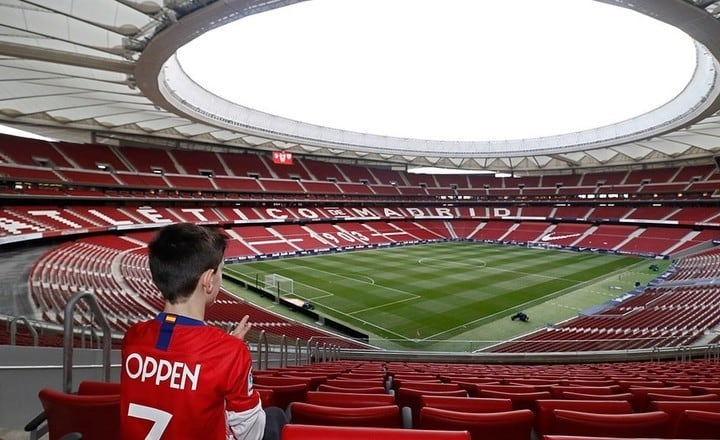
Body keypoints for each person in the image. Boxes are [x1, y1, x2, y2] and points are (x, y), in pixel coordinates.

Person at [120, 222, 286, 440]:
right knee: (277, 416)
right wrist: (230, 351)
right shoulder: (229, 352)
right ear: (208, 280)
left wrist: (225, 347)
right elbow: (251, 433)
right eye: (221, 272)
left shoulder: (133, 336)